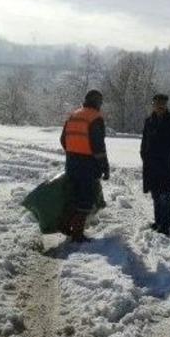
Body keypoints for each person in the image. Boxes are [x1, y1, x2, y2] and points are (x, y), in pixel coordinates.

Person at [60, 89, 109, 243]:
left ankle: (66, 225)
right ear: (98, 102)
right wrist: (104, 166)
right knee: (86, 198)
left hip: (71, 162)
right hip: (88, 164)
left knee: (74, 196)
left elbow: (63, 139)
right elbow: (98, 146)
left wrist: (73, 151)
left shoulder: (73, 115)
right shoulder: (95, 117)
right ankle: (77, 234)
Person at [140, 94, 170, 236]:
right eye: (157, 103)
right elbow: (144, 141)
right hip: (151, 164)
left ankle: (165, 226)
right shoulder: (149, 121)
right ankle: (158, 222)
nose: (159, 106)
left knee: (164, 195)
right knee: (155, 194)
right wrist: (144, 155)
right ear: (153, 104)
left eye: (162, 104)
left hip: (166, 164)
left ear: (166, 105)